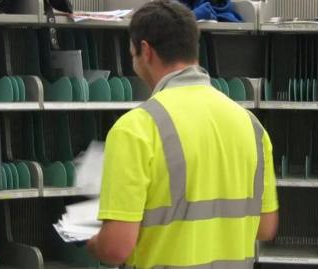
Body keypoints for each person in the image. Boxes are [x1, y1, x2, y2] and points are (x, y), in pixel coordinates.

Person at [87, 1, 279, 268]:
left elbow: (116, 248)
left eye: (133, 54)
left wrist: (91, 241)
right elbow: (266, 228)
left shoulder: (136, 129)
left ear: (145, 51)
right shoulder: (252, 126)